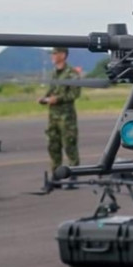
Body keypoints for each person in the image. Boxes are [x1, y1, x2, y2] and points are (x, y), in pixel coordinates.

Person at [40, 47, 81, 176]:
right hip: (53, 116)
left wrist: (57, 99)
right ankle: (56, 175)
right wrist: (44, 98)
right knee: (53, 146)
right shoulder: (54, 73)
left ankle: (73, 176)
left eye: (55, 53)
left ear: (63, 55)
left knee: (70, 146)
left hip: (66, 117)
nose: (52, 56)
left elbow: (74, 94)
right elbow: (51, 90)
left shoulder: (72, 74)